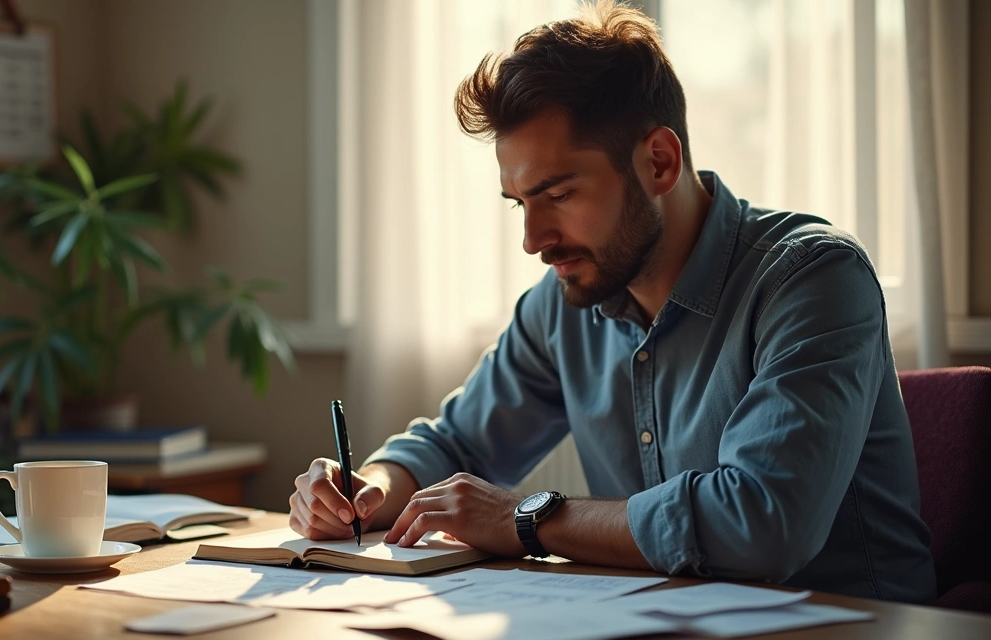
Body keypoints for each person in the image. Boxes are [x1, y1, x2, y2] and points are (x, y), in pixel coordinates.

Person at [288, 0, 936, 603]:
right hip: (665, 620)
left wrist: (527, 519)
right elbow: (457, 445)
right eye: (520, 203)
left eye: (559, 194)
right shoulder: (562, 304)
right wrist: (369, 490)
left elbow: (762, 523)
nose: (533, 239)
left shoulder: (813, 278)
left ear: (659, 162)